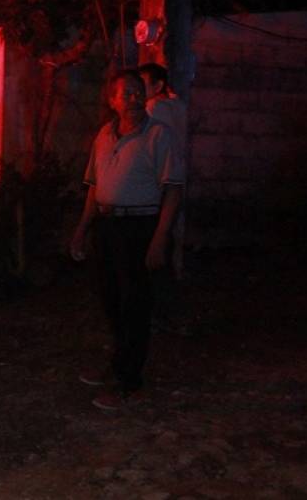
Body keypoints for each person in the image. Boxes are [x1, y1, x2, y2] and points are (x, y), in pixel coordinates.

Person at [70, 69, 185, 411]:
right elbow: (94, 187)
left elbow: (173, 190)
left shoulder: (159, 135)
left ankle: (130, 384)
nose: (134, 98)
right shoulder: (104, 135)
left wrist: (160, 238)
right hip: (107, 226)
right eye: (126, 93)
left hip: (140, 227)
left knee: (135, 304)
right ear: (112, 101)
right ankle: (120, 362)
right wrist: (82, 229)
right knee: (111, 300)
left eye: (138, 92)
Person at [139, 63, 188, 281]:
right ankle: (175, 273)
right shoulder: (178, 105)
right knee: (174, 227)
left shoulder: (152, 108)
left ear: (158, 85)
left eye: (142, 85)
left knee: (155, 231)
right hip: (178, 173)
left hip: (156, 177)